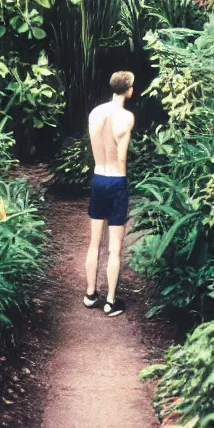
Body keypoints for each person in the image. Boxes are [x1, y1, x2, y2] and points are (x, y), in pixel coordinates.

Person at [83, 71, 135, 317]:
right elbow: (122, 156)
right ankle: (110, 302)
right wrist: (122, 183)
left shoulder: (95, 113)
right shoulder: (126, 117)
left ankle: (91, 294)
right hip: (116, 181)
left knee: (94, 243)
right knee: (114, 248)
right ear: (129, 90)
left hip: (98, 178)